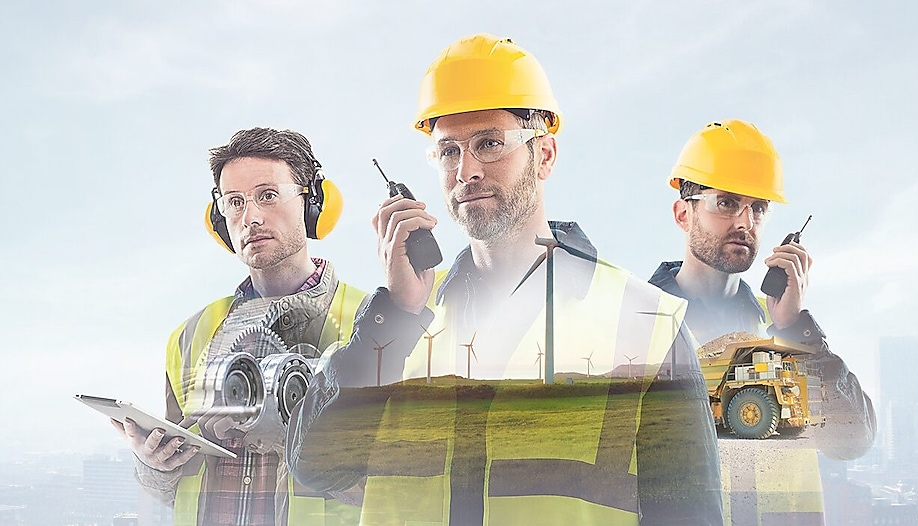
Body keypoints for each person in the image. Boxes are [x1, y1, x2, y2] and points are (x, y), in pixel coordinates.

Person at [288, 34, 722, 525]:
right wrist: (395, 312)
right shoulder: (399, 322)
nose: (465, 170)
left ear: (545, 155)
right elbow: (316, 468)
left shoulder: (645, 321)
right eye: (448, 151)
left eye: (489, 144)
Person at [114, 127, 433, 525]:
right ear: (220, 219)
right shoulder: (191, 335)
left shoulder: (378, 325)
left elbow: (410, 487)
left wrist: (300, 441)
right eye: (234, 202)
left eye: (267, 195)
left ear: (312, 202)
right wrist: (155, 464)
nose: (251, 217)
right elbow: (171, 486)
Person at [648, 119, 877, 525]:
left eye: (757, 207)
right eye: (726, 203)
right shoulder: (638, 323)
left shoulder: (781, 328)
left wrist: (794, 327)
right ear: (683, 213)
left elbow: (852, 439)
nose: (745, 223)